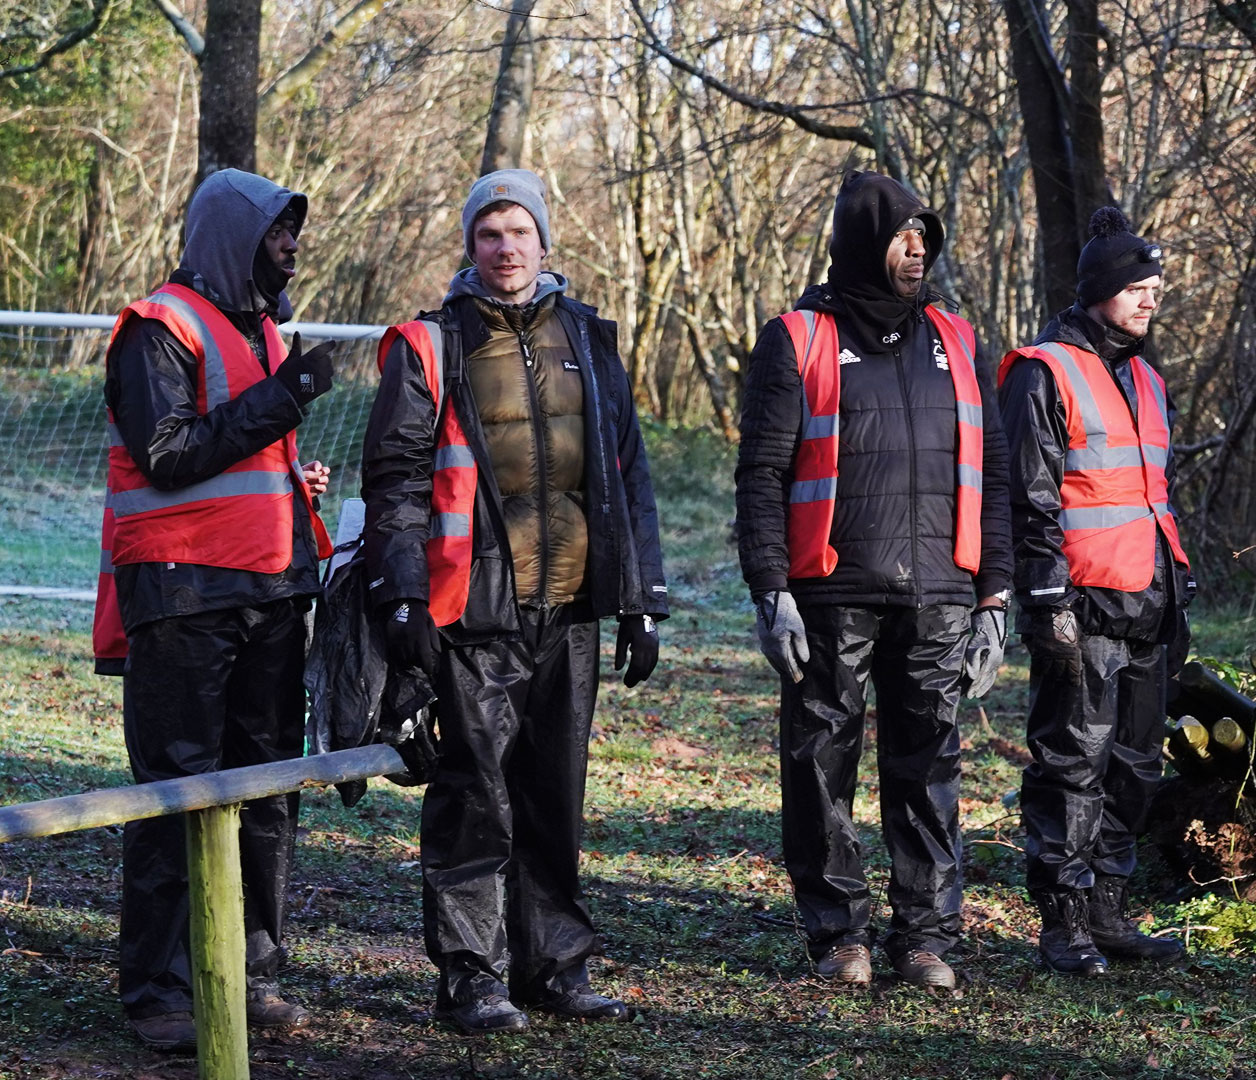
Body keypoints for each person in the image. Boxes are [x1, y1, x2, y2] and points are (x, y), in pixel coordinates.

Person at [360, 169, 669, 1034]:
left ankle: (555, 965)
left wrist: (641, 600)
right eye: (489, 233)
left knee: (553, 797)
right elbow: (396, 484)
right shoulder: (431, 345)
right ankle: (469, 977)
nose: (505, 248)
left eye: (519, 232)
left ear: (544, 242)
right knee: (473, 796)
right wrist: (402, 599)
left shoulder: (590, 340)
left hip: (569, 610)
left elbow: (626, 475)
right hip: (473, 613)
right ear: (470, 244)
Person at [735, 171, 1013, 990]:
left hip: (941, 594)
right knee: (821, 767)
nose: (918, 248)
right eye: (902, 236)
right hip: (830, 592)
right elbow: (760, 475)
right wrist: (769, 588)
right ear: (863, 242)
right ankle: (838, 937)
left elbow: (992, 471)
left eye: (925, 235)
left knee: (928, 770)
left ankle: (924, 938)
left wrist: (994, 596)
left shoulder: (958, 340)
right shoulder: (797, 338)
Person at [93, 168, 336, 1051]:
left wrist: (291, 479)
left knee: (266, 789)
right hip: (183, 594)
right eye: (280, 234)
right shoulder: (158, 330)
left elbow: (238, 454)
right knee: (175, 791)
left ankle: (247, 972)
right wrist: (288, 398)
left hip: (270, 588)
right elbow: (167, 455)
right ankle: (159, 993)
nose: (292, 249)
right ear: (238, 236)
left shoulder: (261, 332)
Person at [998, 207, 1194, 977]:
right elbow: (1029, 499)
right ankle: (1063, 922)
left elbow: (1154, 493)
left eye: (1156, 288)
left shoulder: (1147, 377)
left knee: (1136, 764)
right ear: (1101, 290)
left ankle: (1110, 911)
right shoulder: (1044, 370)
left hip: (1153, 600)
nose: (1151, 300)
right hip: (1081, 604)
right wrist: (1045, 603)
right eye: (1138, 288)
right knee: (1071, 764)